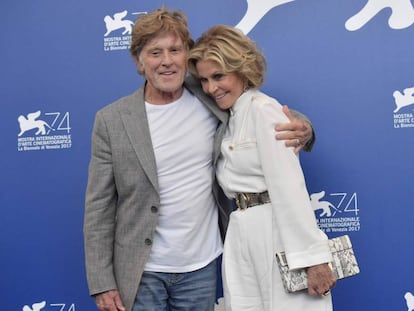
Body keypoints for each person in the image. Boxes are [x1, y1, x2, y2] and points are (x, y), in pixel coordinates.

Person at [83, 7, 314, 311]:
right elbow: (99, 207)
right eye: (155, 52)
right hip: (141, 270)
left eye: (175, 50)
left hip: (201, 266)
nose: (166, 61)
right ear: (139, 62)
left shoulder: (209, 94)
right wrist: (102, 282)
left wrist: (305, 130)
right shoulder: (112, 120)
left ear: (186, 55)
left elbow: (261, 110)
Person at [187, 25, 336, 311]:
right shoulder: (229, 116)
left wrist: (313, 259)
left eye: (219, 76)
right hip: (241, 231)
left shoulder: (263, 110)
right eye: (204, 79)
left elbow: (289, 187)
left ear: (242, 69)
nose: (210, 88)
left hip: (277, 230)